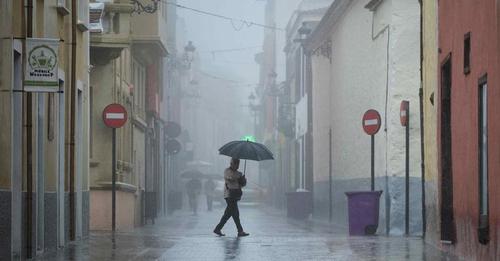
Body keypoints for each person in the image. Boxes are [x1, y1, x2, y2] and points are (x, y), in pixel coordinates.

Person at [213, 158, 249, 237]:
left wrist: (243, 180)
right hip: (229, 195)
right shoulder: (227, 171)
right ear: (232, 164)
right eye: (235, 164)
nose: (237, 166)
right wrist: (238, 177)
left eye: (238, 164)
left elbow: (241, 185)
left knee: (228, 214)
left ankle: (217, 229)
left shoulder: (239, 173)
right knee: (235, 214)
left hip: (236, 195)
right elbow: (230, 178)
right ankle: (240, 231)